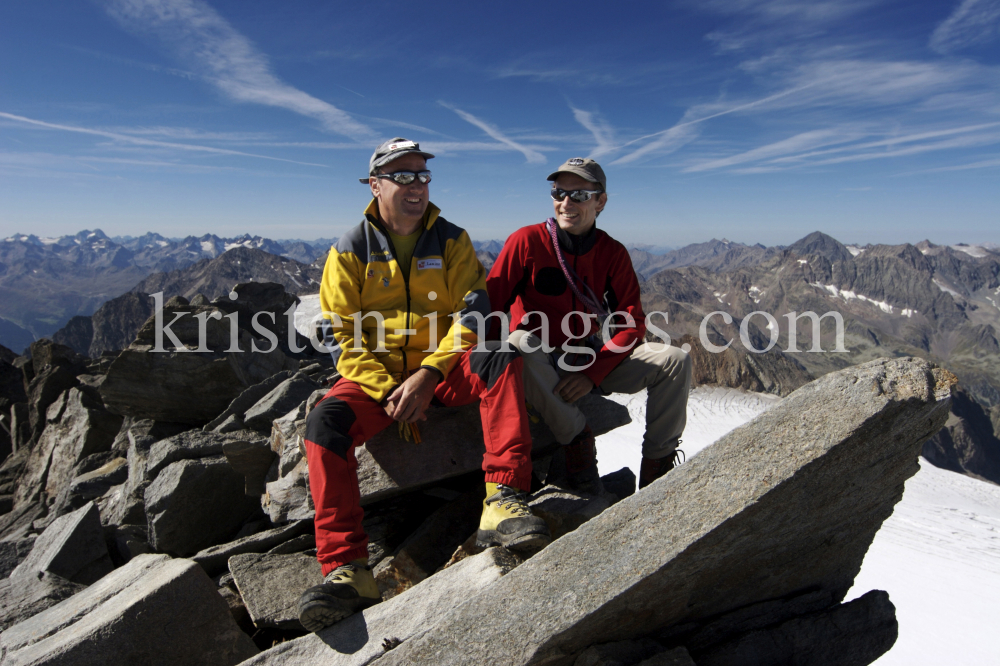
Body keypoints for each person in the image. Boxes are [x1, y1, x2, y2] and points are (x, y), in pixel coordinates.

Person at [297, 138, 549, 633]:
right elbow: (337, 332)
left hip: (442, 369)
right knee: (325, 423)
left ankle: (501, 502)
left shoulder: (451, 240)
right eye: (403, 176)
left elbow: (473, 312)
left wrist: (428, 374)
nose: (417, 186)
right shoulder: (349, 249)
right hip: (376, 380)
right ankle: (348, 570)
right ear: (376, 185)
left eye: (423, 175)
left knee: (499, 358)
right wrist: (389, 386)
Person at [486, 157, 691, 494]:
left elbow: (632, 322)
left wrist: (592, 373)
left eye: (579, 195)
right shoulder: (526, 242)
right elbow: (491, 308)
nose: (566, 203)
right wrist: (495, 378)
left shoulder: (612, 253)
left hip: (586, 357)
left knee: (674, 360)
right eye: (558, 192)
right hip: (537, 361)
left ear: (601, 202)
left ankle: (658, 471)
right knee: (521, 342)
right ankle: (578, 441)